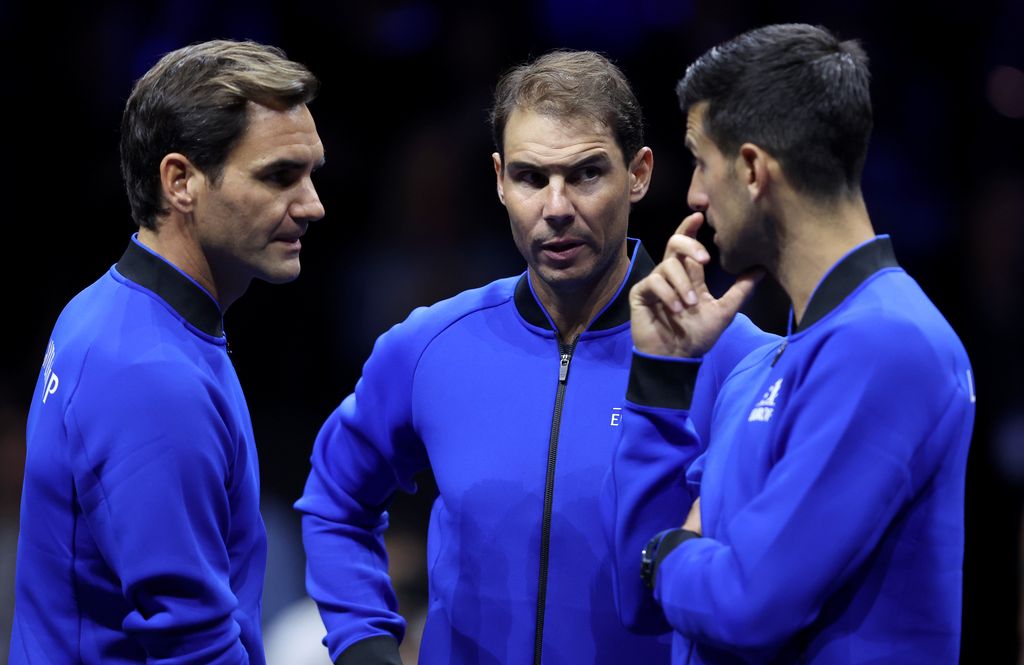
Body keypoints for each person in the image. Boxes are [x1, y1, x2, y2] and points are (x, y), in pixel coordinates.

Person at [296, 49, 771, 665]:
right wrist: (363, 645)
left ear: (640, 173)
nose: (555, 207)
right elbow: (334, 499)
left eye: (585, 174)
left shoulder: (739, 361)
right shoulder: (431, 346)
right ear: (499, 180)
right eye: (530, 177)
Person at [603, 23, 976, 664]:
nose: (693, 194)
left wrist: (668, 556)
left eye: (699, 159)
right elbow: (639, 600)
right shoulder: (759, 369)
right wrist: (662, 376)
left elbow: (750, 602)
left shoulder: (890, 345)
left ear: (752, 169)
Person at [10, 40, 325, 664]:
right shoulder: (150, 375)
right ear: (180, 181)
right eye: (279, 176)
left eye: (311, 173)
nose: (313, 204)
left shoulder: (110, 309)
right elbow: (194, 646)